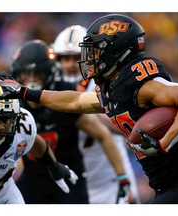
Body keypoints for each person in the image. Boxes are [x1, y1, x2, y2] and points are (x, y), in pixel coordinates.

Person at [0, 14, 178, 204]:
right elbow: (74, 101)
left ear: (115, 51)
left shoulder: (140, 82)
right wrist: (25, 92)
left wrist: (164, 142)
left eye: (95, 50)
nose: (89, 58)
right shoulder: (113, 88)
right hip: (167, 184)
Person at [7, 39, 132, 204]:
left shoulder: (61, 95)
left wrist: (122, 176)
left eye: (39, 74)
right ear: (17, 74)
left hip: (69, 176)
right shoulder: (11, 102)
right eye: (26, 74)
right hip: (33, 180)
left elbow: (103, 135)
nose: (32, 80)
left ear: (50, 73)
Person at [52, 25, 140, 204]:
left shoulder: (105, 84)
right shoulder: (52, 91)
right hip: (75, 182)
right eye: (64, 58)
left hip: (111, 177)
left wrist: (98, 113)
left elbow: (125, 127)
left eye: (76, 57)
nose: (70, 64)